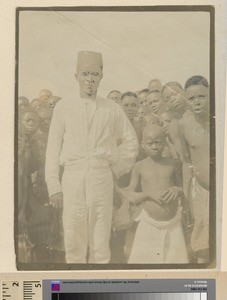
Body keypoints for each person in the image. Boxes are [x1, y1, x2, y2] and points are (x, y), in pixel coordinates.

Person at [45, 51, 138, 263]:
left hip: (101, 177)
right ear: (76, 75)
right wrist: (54, 186)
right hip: (72, 177)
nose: (89, 79)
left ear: (101, 76)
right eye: (85, 73)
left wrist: (115, 169)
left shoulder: (111, 108)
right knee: (74, 240)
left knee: (100, 239)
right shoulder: (63, 107)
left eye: (94, 74)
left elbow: (131, 141)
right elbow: (52, 148)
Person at [119, 124, 188, 263]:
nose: (155, 146)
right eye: (150, 143)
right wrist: (149, 194)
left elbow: (181, 187)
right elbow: (130, 195)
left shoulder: (172, 164)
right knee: (145, 262)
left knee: (175, 262)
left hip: (173, 223)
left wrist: (177, 189)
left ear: (164, 143)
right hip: (148, 223)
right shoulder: (139, 166)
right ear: (142, 145)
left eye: (158, 142)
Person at [179, 75, 210, 263]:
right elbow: (186, 161)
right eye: (191, 99)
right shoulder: (184, 125)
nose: (196, 102)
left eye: (201, 97)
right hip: (200, 191)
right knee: (202, 248)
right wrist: (186, 194)